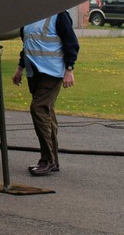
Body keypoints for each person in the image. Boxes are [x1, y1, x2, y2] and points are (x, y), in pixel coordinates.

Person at [11, 10, 78, 176]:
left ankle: (47, 160)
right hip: (34, 73)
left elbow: (71, 42)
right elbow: (27, 45)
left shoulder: (59, 14)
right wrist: (20, 68)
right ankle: (53, 160)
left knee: (38, 108)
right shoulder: (27, 17)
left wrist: (69, 69)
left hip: (53, 72)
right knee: (47, 112)